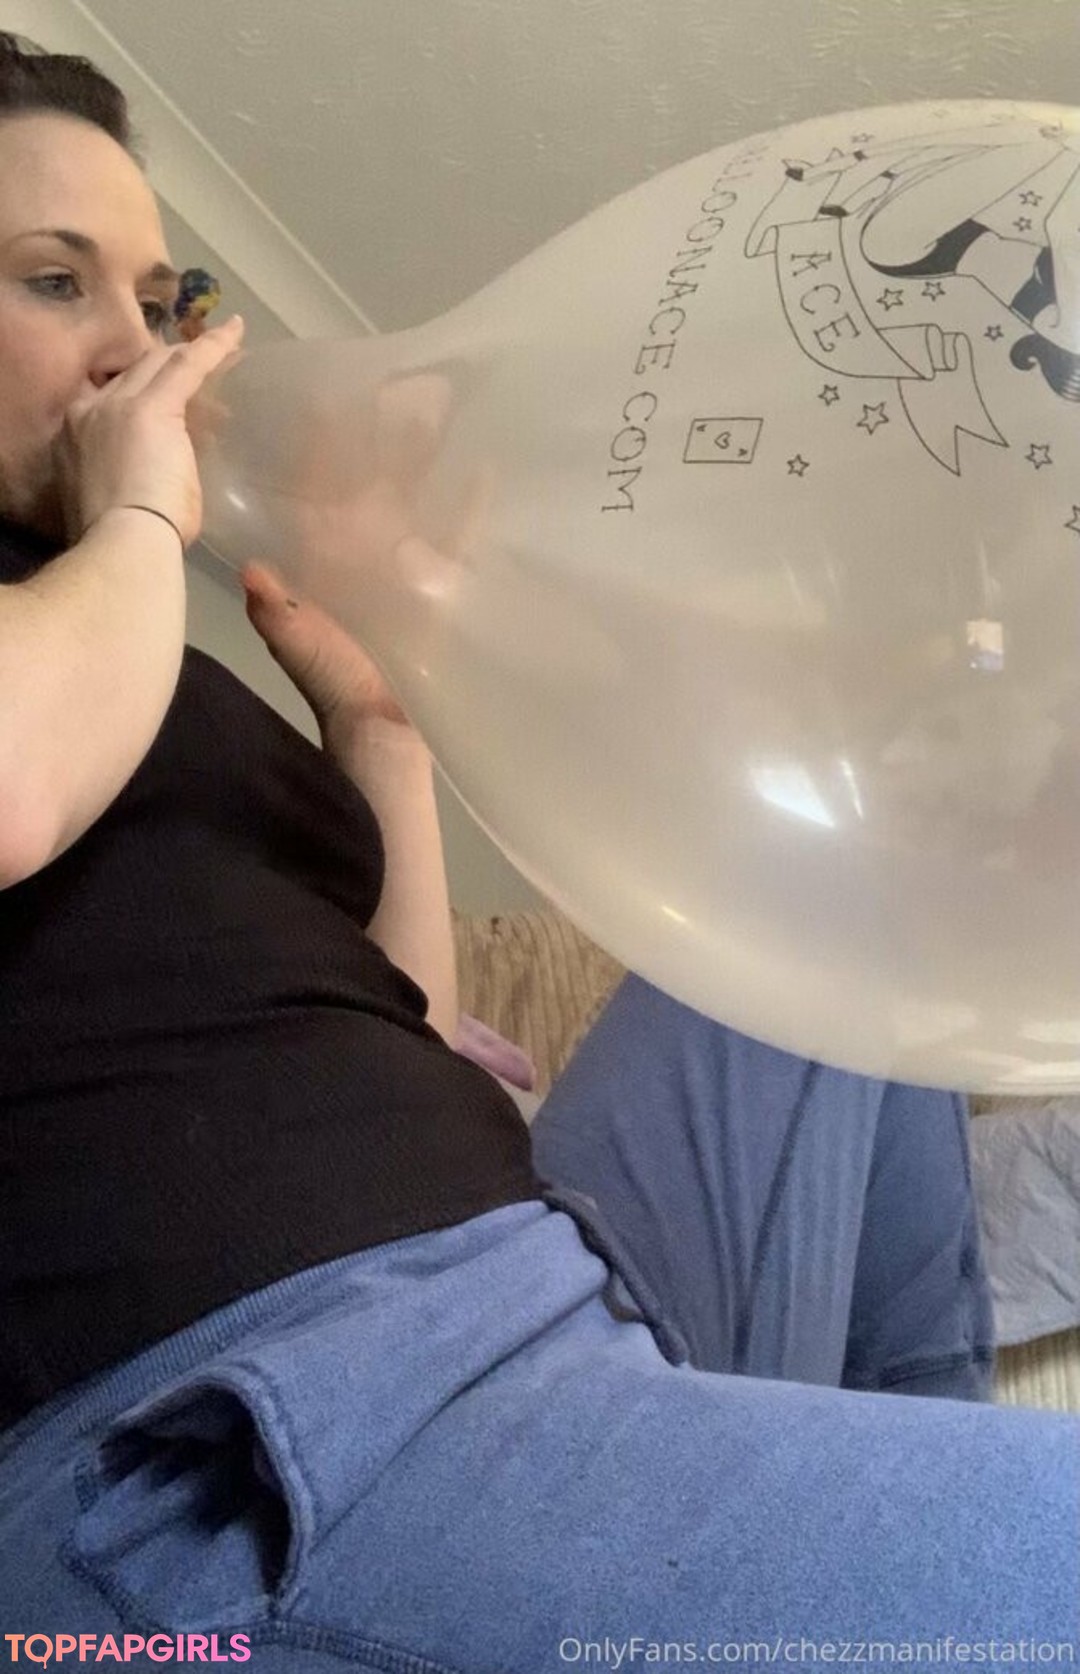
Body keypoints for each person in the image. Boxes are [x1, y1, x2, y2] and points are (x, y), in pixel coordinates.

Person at [0, 34, 1076, 1672]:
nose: (135, 356)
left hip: (523, 1284)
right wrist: (148, 514)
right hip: (217, 1463)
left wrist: (382, 731)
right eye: (53, 279)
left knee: (832, 905)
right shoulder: (76, 648)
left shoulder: (152, 671)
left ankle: (892, 1470)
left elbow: (407, 1040)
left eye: (159, 303)